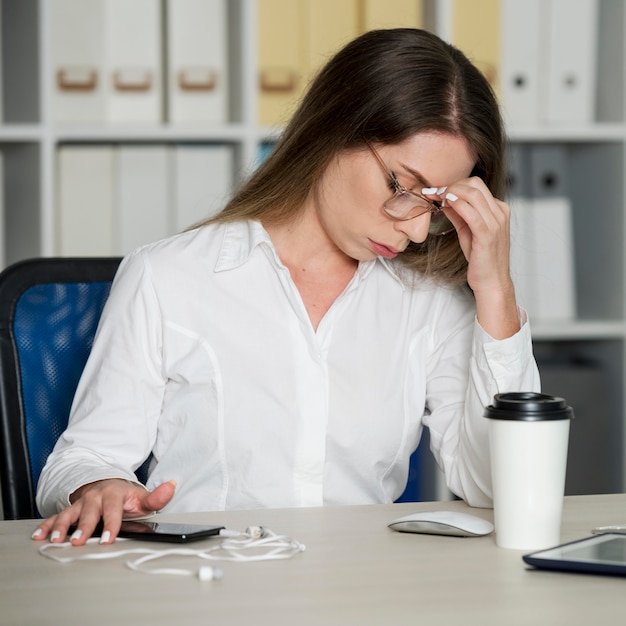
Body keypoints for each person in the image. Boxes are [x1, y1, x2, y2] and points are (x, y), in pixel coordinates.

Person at [33, 28, 539, 546]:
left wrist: (496, 292)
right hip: (203, 586)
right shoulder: (167, 277)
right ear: (333, 132)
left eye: (435, 205)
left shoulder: (427, 304)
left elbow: (498, 487)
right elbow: (84, 456)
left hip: (365, 592)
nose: (414, 230)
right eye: (403, 187)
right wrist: (104, 486)